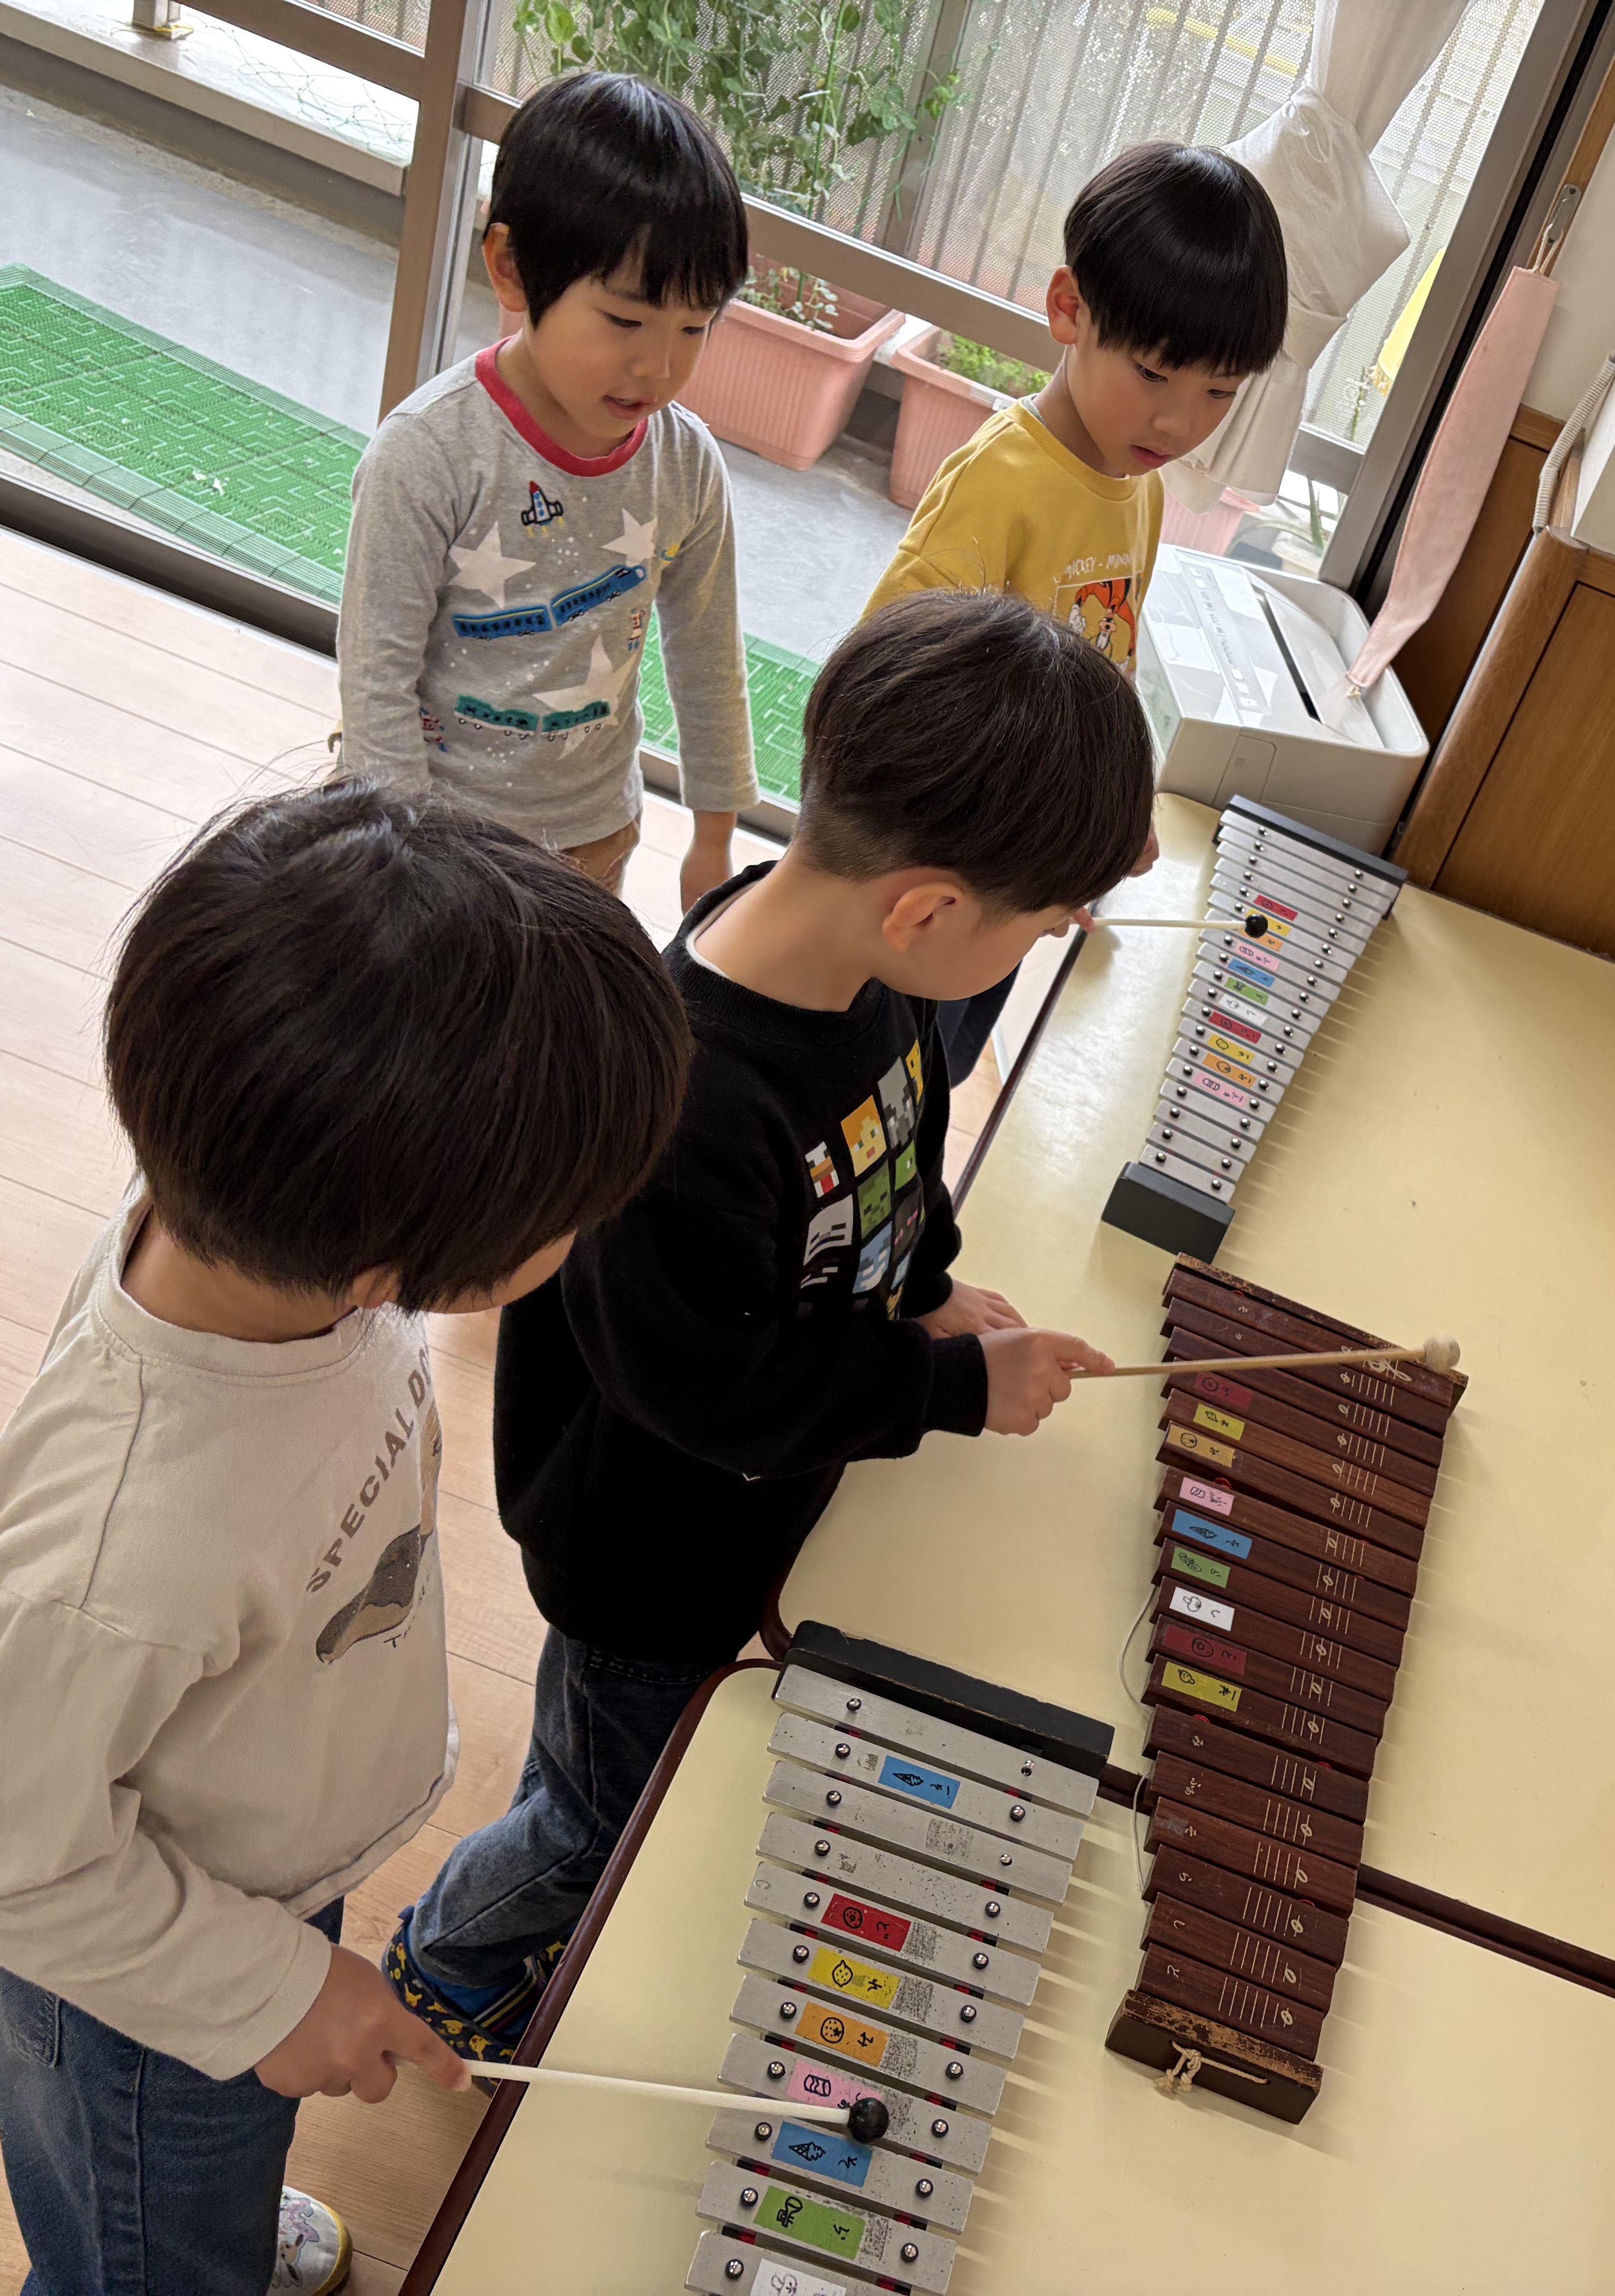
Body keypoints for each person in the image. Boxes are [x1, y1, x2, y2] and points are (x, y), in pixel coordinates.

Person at [0, 784, 693, 2294]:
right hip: (135, 1970)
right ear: (387, 1266)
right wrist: (265, 1991)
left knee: (222, 2150)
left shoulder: (277, 1225)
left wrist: (285, 1980)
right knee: (146, 2236)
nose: (589, 1233)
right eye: (569, 1216)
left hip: (257, 1850)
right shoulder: (127, 1543)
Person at [384, 591, 1143, 2054]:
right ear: (930, 908)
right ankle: (447, 1967)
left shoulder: (865, 967)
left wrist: (926, 1288)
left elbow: (902, 1147)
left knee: (612, 1770)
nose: (1036, 950)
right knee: (605, 1809)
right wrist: (948, 1391)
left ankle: (519, 1908)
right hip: (651, 1548)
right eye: (1037, 929)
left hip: (752, 1493)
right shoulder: (686, 1104)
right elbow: (713, 1395)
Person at [863, 141, 1287, 1083]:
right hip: (934, 883)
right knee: (874, 1083)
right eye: (1154, 374)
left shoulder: (1140, 490)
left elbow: (1108, 669)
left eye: (1220, 392)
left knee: (940, 1079)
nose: (1180, 422)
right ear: (1069, 309)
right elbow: (882, 685)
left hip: (1014, 888)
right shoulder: (1001, 481)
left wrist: (1106, 811)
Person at [337, 70, 757, 908]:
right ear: (512, 269)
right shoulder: (428, 454)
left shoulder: (685, 464)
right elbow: (375, 682)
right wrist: (401, 861)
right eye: (625, 320)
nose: (659, 366)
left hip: (593, 836)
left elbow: (708, 654)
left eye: (694, 327)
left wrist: (715, 838)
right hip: (433, 844)